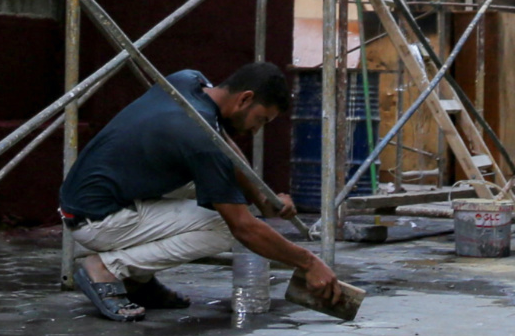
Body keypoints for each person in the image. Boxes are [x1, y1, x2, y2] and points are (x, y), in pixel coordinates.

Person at [58, 63, 340, 322]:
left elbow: (225, 145)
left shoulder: (188, 80)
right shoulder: (202, 140)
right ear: (245, 98)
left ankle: (138, 281)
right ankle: (107, 268)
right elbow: (243, 228)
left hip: (91, 196)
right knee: (227, 224)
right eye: (261, 119)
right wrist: (309, 262)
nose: (257, 130)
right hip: (96, 220)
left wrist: (262, 197)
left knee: (229, 197)